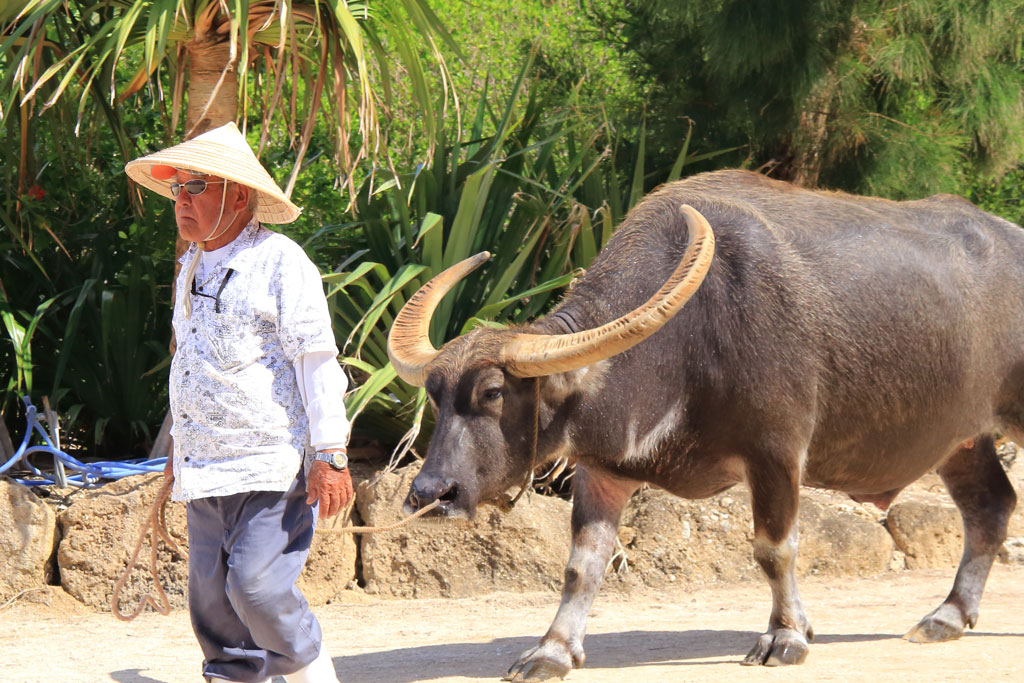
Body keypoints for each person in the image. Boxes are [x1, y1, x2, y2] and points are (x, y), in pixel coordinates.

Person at [125, 122, 352, 683]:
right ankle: (231, 675)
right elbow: (191, 363)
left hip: (270, 465)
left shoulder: (282, 261)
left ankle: (307, 668)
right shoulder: (190, 267)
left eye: (196, 187)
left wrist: (330, 452)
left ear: (239, 196)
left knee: (256, 585)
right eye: (177, 188)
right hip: (205, 466)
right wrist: (178, 447)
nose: (181, 199)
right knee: (209, 597)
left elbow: (317, 360)